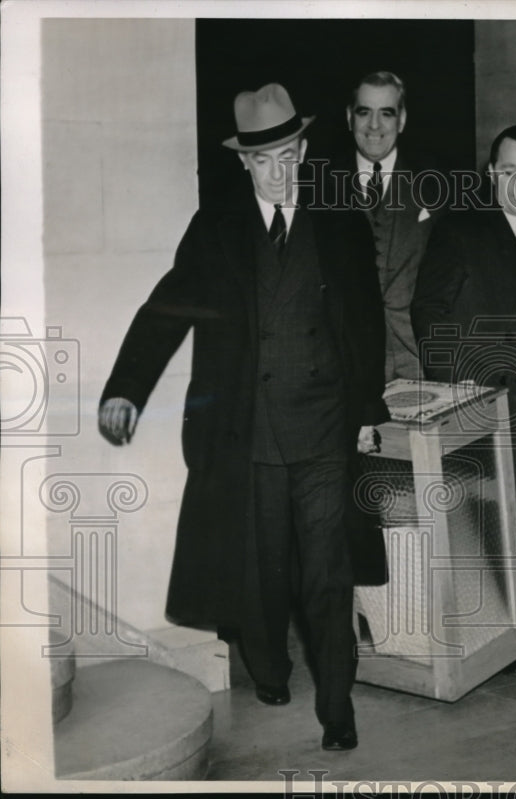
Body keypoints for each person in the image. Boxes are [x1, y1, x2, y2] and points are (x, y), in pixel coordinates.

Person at [98, 83, 389, 752]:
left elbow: (365, 326)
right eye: (266, 160)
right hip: (249, 432)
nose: (280, 170)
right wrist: (127, 388)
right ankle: (267, 664)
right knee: (259, 572)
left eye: (288, 153)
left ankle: (338, 706)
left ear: (304, 147)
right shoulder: (217, 231)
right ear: (244, 164)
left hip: (322, 430)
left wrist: (368, 410)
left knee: (326, 573)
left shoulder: (340, 221)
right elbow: (164, 310)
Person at [411, 125, 516, 675]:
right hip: (483, 400)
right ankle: (488, 636)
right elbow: (427, 313)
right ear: (492, 175)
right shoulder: (462, 229)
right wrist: (461, 388)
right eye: (509, 173)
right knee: (486, 521)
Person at [336, 70, 440, 382]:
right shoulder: (320, 189)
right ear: (349, 117)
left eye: (387, 113)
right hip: (350, 364)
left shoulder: (437, 184)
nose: (375, 126)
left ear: (402, 119)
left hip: (421, 359)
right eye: (364, 112)